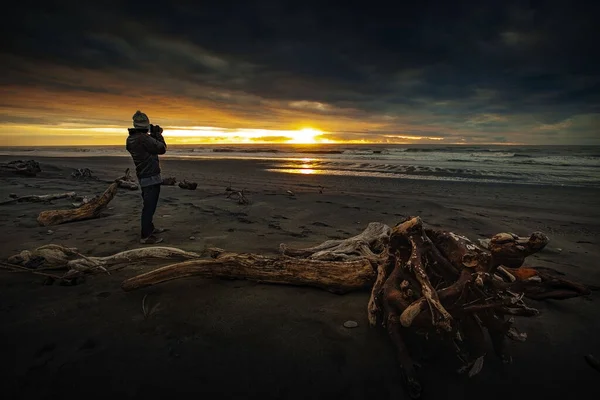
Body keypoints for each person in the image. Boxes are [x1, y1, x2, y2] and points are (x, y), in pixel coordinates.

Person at [126, 110, 167, 244]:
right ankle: (146, 236)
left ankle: (149, 228)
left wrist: (152, 135)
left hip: (143, 174)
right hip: (150, 176)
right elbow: (161, 149)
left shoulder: (131, 139)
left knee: (148, 205)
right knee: (149, 206)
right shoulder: (143, 138)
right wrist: (158, 135)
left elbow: (150, 148)